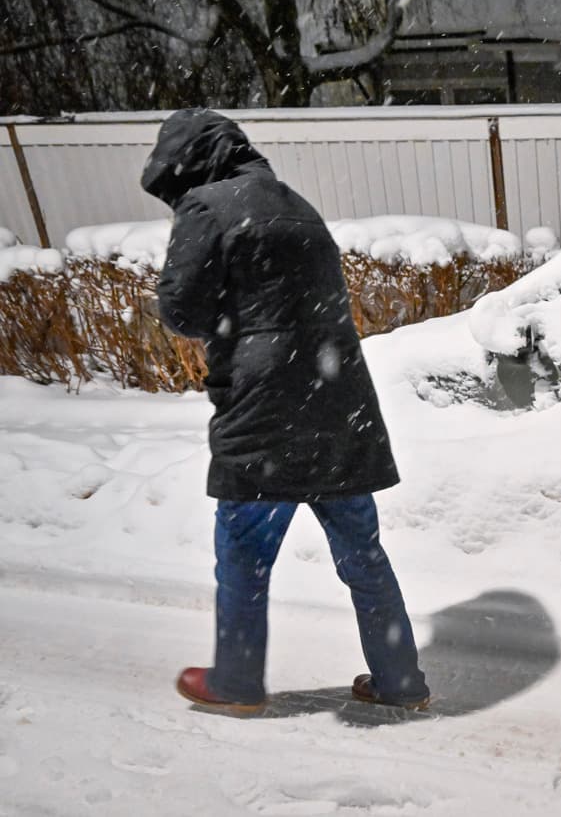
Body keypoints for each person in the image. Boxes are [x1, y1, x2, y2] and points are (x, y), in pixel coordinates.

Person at [142, 109, 429, 714]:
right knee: (364, 556)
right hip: (339, 406)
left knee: (243, 553)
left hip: (265, 412)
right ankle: (400, 680)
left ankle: (237, 682)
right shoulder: (297, 205)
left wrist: (165, 303)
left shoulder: (207, 206)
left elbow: (186, 313)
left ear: (191, 162)